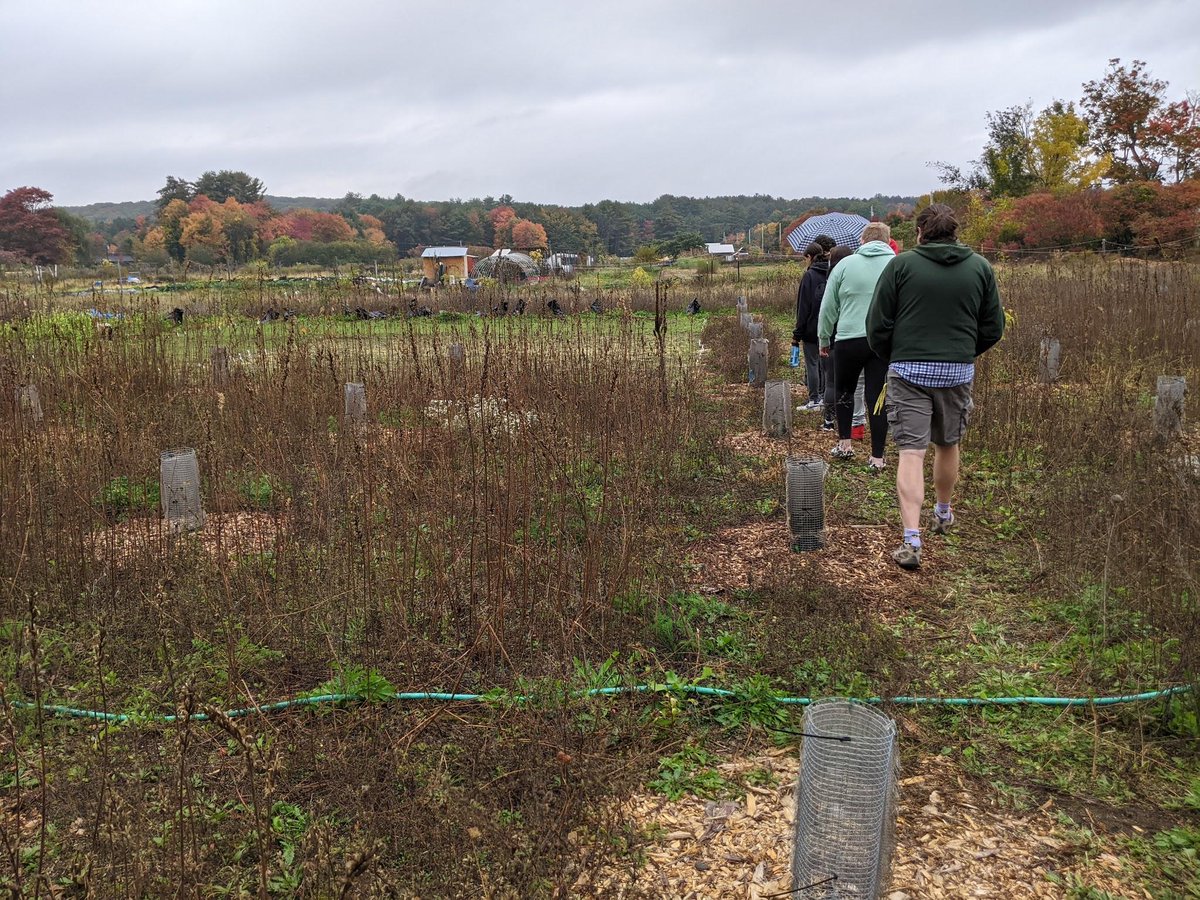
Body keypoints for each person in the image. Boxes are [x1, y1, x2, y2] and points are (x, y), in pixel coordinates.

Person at [867, 203, 1005, 571]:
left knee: (911, 452)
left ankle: (911, 539)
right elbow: (993, 326)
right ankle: (944, 512)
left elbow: (878, 322)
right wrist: (963, 352)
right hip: (956, 373)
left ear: (920, 232)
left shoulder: (901, 265)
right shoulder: (979, 267)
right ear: (955, 231)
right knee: (948, 443)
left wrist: (893, 354)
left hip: (908, 371)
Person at [817, 223, 896, 469]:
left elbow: (828, 307)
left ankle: (844, 445)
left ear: (862, 240)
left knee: (844, 391)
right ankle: (878, 457)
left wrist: (823, 338)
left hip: (848, 339)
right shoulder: (898, 265)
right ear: (887, 240)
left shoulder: (844, 265)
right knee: (877, 397)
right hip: (883, 341)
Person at [792, 242, 831, 410]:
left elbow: (803, 307)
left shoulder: (809, 276)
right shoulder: (833, 272)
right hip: (829, 327)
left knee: (812, 364)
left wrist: (797, 334)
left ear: (810, 257)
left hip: (811, 328)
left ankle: (814, 399)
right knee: (825, 364)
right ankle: (824, 397)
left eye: (805, 258)